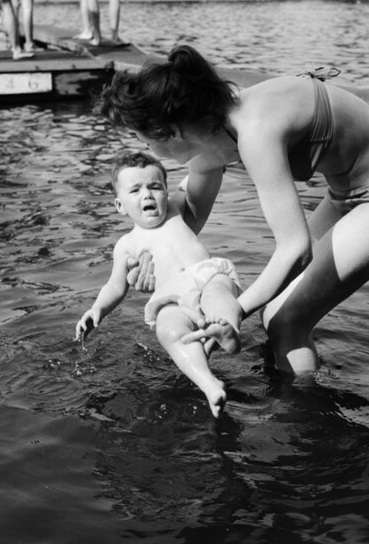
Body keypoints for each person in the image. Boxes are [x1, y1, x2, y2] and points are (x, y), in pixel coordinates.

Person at [95, 45, 369, 376]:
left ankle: (302, 424)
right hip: (346, 194)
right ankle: (293, 399)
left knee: (285, 320)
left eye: (145, 141)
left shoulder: (254, 131)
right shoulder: (212, 131)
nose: (147, 149)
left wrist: (233, 312)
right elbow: (188, 219)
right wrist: (146, 257)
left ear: (172, 132)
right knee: (274, 312)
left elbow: (295, 248)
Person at [75, 151, 243, 417]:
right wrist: (97, 309)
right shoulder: (126, 246)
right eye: (135, 190)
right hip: (171, 297)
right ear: (119, 206)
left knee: (218, 292)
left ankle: (228, 332)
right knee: (168, 330)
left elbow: (199, 173)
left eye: (155, 187)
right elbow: (116, 286)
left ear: (167, 191)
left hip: (205, 274)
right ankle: (209, 385)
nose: (148, 195)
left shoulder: (177, 209)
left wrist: (210, 151)